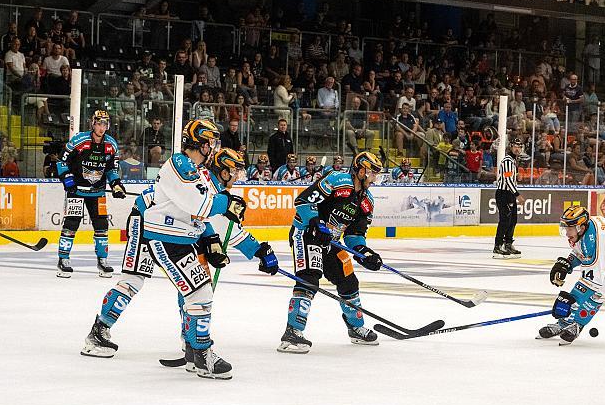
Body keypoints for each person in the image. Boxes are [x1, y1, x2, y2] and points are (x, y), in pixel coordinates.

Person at [81, 127, 277, 380]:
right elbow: (210, 214)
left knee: (190, 288)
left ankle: (193, 345)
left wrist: (215, 239)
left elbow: (209, 221)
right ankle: (101, 332)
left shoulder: (204, 177)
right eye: (236, 169)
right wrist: (256, 248)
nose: (239, 175)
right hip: (150, 225)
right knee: (136, 281)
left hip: (171, 229)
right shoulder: (186, 167)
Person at [278, 152, 384, 353]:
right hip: (306, 233)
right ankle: (292, 332)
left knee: (348, 281)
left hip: (330, 241)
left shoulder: (367, 201)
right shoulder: (337, 181)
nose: (373, 178)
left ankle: (355, 327)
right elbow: (304, 201)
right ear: (360, 170)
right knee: (309, 278)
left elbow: (355, 234)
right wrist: (317, 223)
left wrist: (364, 253)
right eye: (371, 173)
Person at [538, 206, 605, 344]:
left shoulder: (598, 238)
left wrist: (569, 301)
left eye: (569, 229)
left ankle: (577, 325)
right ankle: (564, 323)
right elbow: (582, 252)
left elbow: (592, 281)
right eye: (565, 228)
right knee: (584, 291)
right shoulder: (585, 232)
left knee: (599, 290)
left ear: (581, 227)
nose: (566, 233)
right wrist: (567, 264)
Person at [55, 110, 126, 278]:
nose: (102, 128)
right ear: (93, 123)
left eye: (104, 124)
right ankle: (63, 260)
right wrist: (68, 180)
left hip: (98, 192)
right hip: (77, 191)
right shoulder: (79, 141)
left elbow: (111, 169)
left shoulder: (111, 145)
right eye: (99, 123)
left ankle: (103, 260)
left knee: (102, 226)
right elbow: (62, 161)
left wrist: (116, 184)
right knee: (72, 223)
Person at [493, 137, 525, 259]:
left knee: (513, 220)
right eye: (516, 146)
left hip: (509, 194)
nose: (518, 149)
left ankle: (508, 244)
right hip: (504, 194)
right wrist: (518, 195)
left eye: (520, 146)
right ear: (511, 146)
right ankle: (498, 246)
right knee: (505, 220)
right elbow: (507, 180)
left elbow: (511, 178)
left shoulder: (513, 161)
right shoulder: (507, 161)